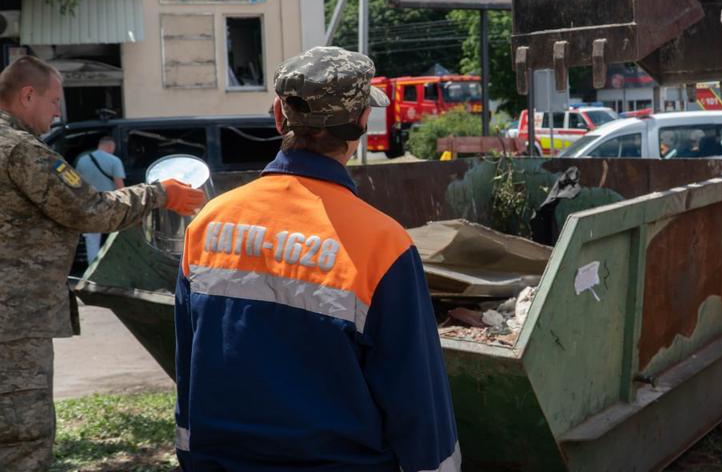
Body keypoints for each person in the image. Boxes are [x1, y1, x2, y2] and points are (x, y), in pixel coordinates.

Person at [174, 46, 460, 471]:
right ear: (362, 122)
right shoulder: (382, 244)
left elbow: (188, 370)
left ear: (278, 116)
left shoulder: (208, 225)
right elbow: (416, 397)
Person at [0, 55, 205, 471]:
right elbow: (89, 210)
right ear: (26, 95)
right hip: (14, 324)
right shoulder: (20, 150)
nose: (58, 112)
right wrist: (159, 194)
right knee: (23, 438)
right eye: (54, 101)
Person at [74, 136, 126, 262]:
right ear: (110, 146)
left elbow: (77, 184)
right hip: (110, 204)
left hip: (89, 204)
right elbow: (120, 186)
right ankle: (115, 265)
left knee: (92, 241)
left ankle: (93, 271)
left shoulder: (82, 161)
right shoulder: (114, 161)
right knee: (114, 237)